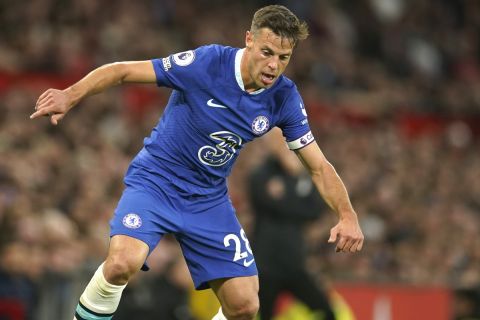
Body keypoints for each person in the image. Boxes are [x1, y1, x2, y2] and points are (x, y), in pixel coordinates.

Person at [30, 5, 364, 320]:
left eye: (283, 58)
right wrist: (69, 95)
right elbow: (122, 71)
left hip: (207, 200)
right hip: (157, 182)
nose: (274, 65)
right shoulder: (208, 63)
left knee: (245, 306)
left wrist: (346, 214)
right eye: (267, 52)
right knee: (122, 262)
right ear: (249, 40)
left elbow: (318, 166)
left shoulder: (283, 97)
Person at [249, 128, 336, 320]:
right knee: (265, 315)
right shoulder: (261, 174)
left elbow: (315, 209)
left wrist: (289, 190)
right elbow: (266, 202)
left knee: (326, 311)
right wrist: (295, 201)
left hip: (294, 263)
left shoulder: (303, 175)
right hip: (267, 264)